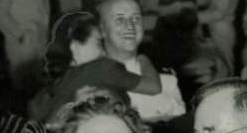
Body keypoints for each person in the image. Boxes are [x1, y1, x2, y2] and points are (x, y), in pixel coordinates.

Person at [28, 11, 161, 123]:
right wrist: (143, 59)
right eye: (99, 43)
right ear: (74, 46)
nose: (105, 51)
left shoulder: (48, 87)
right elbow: (154, 87)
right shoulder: (103, 68)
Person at [98, 0, 186, 121]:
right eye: (120, 19)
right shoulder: (91, 75)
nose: (130, 26)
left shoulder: (165, 76)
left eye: (136, 19)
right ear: (102, 30)